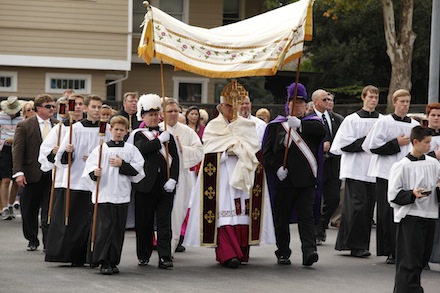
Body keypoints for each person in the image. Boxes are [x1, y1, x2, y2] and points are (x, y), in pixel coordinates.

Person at [184, 80, 264, 269]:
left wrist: (242, 151)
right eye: (228, 105)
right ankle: (228, 254)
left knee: (242, 214)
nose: (232, 109)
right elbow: (209, 151)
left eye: (234, 105)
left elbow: (255, 148)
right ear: (220, 106)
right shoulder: (213, 127)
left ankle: (242, 252)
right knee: (224, 214)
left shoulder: (247, 125)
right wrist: (226, 152)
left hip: (243, 176)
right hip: (221, 177)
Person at [263, 82, 326, 266]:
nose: (296, 105)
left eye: (300, 102)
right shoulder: (276, 126)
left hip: (305, 180)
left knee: (306, 217)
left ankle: (309, 251)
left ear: (306, 105)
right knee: (281, 218)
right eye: (293, 101)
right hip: (284, 180)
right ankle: (283, 251)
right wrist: (276, 168)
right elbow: (266, 153)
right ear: (287, 103)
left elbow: (321, 132)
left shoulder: (312, 123)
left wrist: (300, 126)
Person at [48, 95, 110, 266]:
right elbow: (61, 158)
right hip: (76, 179)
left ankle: (93, 256)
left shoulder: (108, 128)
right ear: (86, 108)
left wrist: (96, 158)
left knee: (94, 222)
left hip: (98, 180)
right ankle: (75, 256)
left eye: (99, 107)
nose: (97, 111)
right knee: (76, 221)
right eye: (94, 107)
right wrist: (69, 152)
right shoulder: (75, 128)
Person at [362, 89, 419, 264]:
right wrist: (396, 143)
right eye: (402, 101)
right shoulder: (384, 122)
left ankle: (404, 248)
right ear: (394, 103)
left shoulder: (414, 125)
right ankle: (390, 250)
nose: (405, 105)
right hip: (386, 173)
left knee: (406, 212)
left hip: (407, 174)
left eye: (408, 101)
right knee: (387, 212)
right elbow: (372, 147)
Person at [82, 116, 145, 275]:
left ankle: (113, 260)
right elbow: (89, 169)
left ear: (126, 131)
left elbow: (138, 171)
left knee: (117, 229)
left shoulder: (131, 150)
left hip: (121, 194)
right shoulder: (101, 149)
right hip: (104, 193)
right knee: (105, 228)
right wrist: (94, 173)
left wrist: (122, 165)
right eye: (116, 129)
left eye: (121, 130)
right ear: (110, 130)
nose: (118, 132)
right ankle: (103, 260)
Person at [128, 94, 179, 269]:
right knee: (144, 223)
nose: (153, 117)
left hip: (164, 185)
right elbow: (143, 150)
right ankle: (143, 254)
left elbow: (176, 159)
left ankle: (165, 256)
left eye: (156, 114)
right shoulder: (138, 135)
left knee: (164, 223)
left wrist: (173, 179)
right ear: (143, 117)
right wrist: (159, 141)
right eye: (149, 114)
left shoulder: (167, 135)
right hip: (145, 185)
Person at [388, 125, 440, 293]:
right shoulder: (401, 166)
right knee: (409, 259)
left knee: (422, 258)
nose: (429, 146)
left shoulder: (433, 163)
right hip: (411, 216)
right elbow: (393, 195)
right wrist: (412, 194)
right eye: (426, 142)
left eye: (431, 142)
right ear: (415, 142)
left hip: (430, 214)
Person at [332, 85, 382, 257]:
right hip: (355, 170)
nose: (373, 100)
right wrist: (366, 140)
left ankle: (360, 244)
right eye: (370, 97)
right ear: (363, 98)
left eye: (376, 97)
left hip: (374, 171)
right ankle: (354, 245)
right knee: (357, 207)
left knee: (368, 208)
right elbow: (343, 145)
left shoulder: (382, 120)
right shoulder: (351, 120)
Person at [13, 94, 58, 251]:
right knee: (30, 209)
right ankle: (32, 239)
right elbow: (18, 150)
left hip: (51, 173)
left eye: (53, 106)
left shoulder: (57, 125)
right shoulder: (25, 125)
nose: (52, 109)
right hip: (32, 172)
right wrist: (18, 172)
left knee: (49, 209)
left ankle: (48, 242)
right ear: (38, 108)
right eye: (48, 106)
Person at [159, 98, 203, 256]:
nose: (173, 114)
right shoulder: (156, 129)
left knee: (177, 214)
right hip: (159, 176)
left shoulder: (187, 131)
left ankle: (169, 249)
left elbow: (199, 151)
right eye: (169, 111)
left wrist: (180, 148)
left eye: (175, 111)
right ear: (162, 113)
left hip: (181, 177)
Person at [313, 89, 344, 246]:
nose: (328, 102)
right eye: (325, 100)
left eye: (329, 100)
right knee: (315, 199)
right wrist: (320, 147)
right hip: (315, 164)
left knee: (333, 199)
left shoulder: (336, 119)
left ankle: (322, 224)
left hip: (332, 164)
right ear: (316, 102)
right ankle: (316, 229)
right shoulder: (308, 119)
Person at [0, 96, 24, 220]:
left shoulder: (21, 119)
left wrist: (15, 140)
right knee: (5, 179)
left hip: (17, 149)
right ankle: (3, 208)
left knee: (16, 180)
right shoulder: (1, 117)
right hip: (4, 149)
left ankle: (10, 205)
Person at [424, 103, 440, 266]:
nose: (436, 118)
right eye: (433, 115)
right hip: (428, 181)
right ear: (427, 117)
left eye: (439, 116)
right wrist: (434, 154)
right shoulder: (421, 135)